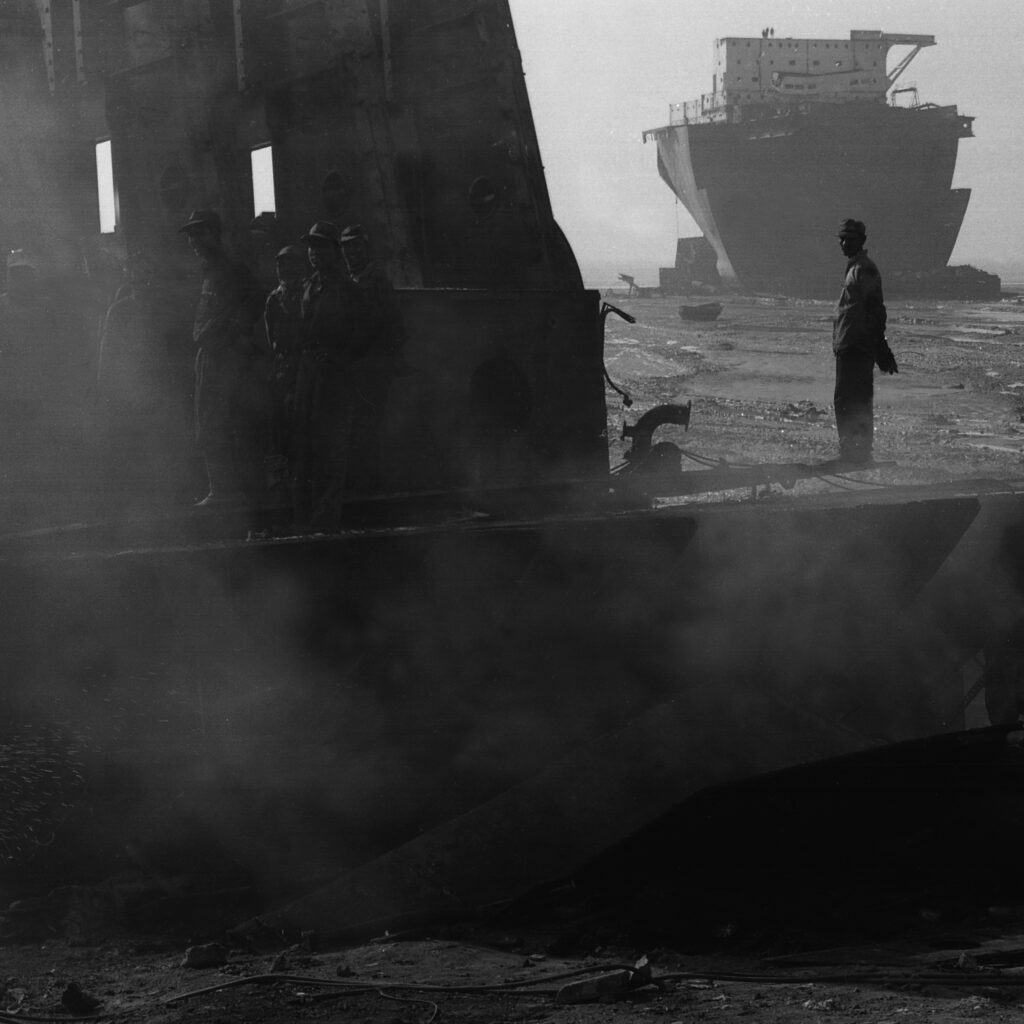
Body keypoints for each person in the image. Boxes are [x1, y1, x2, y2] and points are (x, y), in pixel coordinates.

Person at [179, 208, 265, 507]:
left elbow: (256, 300)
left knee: (224, 421)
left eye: (200, 233)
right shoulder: (206, 271)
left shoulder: (232, 270)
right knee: (208, 421)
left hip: (225, 358)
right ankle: (220, 491)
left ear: (215, 234)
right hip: (209, 355)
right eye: (190, 235)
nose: (194, 241)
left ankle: (233, 493)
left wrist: (233, 333)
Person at [292, 220, 369, 527]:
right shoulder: (310, 286)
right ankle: (309, 518)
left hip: (334, 375)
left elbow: (360, 333)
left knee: (331, 446)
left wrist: (337, 356)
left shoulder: (347, 289)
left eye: (320, 247)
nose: (313, 253)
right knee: (306, 443)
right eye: (311, 247)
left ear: (333, 251)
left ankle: (327, 518)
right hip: (309, 372)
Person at [339, 224, 403, 495]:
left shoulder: (377, 279)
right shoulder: (348, 279)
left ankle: (371, 487)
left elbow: (392, 323)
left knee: (369, 426)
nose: (352, 251)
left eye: (356, 245)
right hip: (354, 364)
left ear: (366, 248)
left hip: (373, 364)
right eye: (347, 246)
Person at [832, 218, 897, 465]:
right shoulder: (853, 268)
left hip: (857, 346)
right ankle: (851, 450)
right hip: (847, 345)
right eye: (841, 238)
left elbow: (875, 311)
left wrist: (881, 350)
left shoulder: (864, 269)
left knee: (854, 401)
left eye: (848, 238)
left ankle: (856, 453)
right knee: (847, 400)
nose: (842, 243)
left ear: (861, 241)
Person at [263, 243, 308, 497]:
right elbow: (272, 338)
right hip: (284, 367)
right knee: (282, 423)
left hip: (305, 364)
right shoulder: (274, 298)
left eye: (289, 264)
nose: (283, 269)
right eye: (280, 264)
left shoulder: (308, 293)